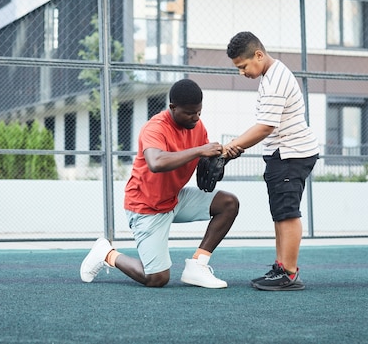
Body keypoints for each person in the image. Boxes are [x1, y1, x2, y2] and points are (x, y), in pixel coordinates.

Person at [80, 79, 243, 288]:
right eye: (189, 113)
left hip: (174, 198)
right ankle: (107, 254)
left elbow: (205, 168)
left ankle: (197, 265)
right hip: (146, 207)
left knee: (228, 203)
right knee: (156, 278)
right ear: (173, 107)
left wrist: (224, 158)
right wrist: (200, 150)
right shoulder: (155, 128)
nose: (195, 118)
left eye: (199, 113)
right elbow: (156, 162)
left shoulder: (197, 126)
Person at [222, 31, 319, 291]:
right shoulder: (270, 75)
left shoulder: (275, 79)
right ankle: (281, 267)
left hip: (292, 153)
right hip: (283, 153)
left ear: (258, 55)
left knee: (287, 213)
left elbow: (265, 126)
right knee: (280, 213)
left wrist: (231, 147)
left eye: (243, 66)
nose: (242, 73)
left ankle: (288, 273)